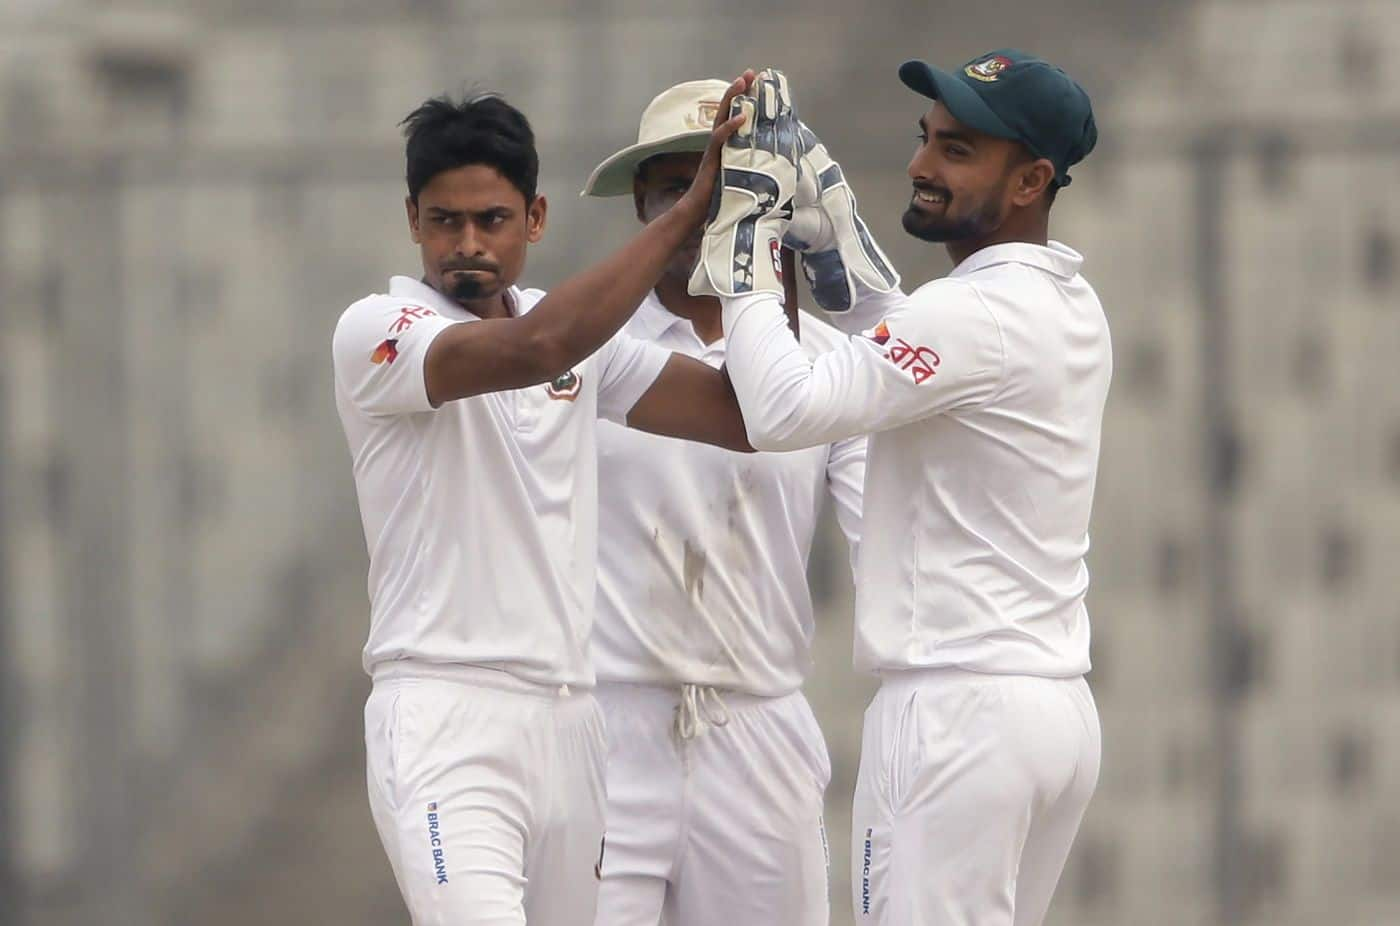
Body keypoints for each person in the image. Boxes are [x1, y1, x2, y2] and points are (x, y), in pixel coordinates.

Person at [690, 54, 1109, 925]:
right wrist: (834, 232)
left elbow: (781, 408)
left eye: (958, 151)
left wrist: (748, 235)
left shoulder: (974, 314)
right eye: (926, 140)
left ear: (1032, 179)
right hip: (1047, 712)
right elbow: (907, 338)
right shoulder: (1065, 300)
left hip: (955, 720)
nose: (920, 166)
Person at [331, 74, 755, 926]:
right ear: (413, 219)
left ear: (536, 218)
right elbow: (540, 344)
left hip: (571, 721)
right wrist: (688, 211)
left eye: (492, 220)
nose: (467, 244)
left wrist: (768, 263)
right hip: (445, 717)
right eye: (445, 220)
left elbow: (745, 419)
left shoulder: (577, 345)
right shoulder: (380, 330)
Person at [579, 79, 866, 926]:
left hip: (757, 722)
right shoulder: (586, 348)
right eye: (680, 188)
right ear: (643, 203)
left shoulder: (829, 366)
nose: (705, 212)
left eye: (728, 188)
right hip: (606, 725)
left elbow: (887, 531)